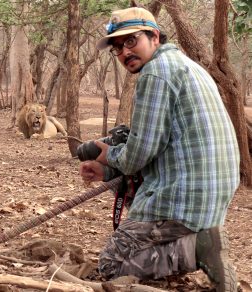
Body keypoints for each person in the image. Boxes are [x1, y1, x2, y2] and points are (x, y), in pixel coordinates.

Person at [79, 7, 240, 291]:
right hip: (209, 197)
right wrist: (107, 171)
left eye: (131, 41)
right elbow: (164, 148)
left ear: (154, 36)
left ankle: (195, 249)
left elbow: (138, 155)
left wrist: (109, 152)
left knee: (110, 265)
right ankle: (195, 242)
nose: (124, 52)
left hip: (181, 200)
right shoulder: (186, 66)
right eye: (117, 47)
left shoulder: (155, 74)